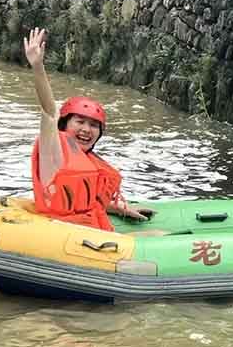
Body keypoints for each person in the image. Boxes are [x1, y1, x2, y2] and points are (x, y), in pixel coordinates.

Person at [24, 27, 154, 231]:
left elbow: (83, 201)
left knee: (157, 234)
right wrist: (38, 66)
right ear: (65, 124)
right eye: (80, 122)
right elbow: (49, 111)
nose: (87, 129)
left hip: (91, 230)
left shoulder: (87, 161)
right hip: (63, 234)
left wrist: (119, 209)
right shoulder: (53, 149)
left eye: (94, 125)